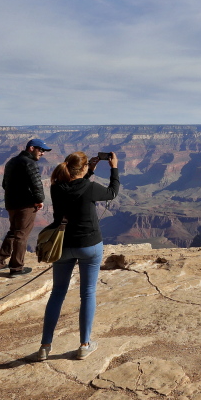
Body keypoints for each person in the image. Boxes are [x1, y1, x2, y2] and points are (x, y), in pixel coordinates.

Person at [36, 150, 120, 361]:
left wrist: (89, 170)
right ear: (82, 168)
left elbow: (75, 188)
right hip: (89, 246)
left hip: (62, 246)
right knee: (88, 293)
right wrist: (114, 168)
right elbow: (111, 192)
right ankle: (84, 345)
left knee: (57, 293)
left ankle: (45, 346)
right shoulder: (90, 187)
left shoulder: (56, 188)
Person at [0, 138, 51, 277]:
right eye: (41, 150)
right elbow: (36, 184)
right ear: (31, 148)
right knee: (22, 235)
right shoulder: (30, 163)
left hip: (11, 204)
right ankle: (17, 268)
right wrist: (39, 200)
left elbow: (4, 185)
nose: (42, 153)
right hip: (26, 205)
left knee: (13, 232)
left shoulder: (11, 161)